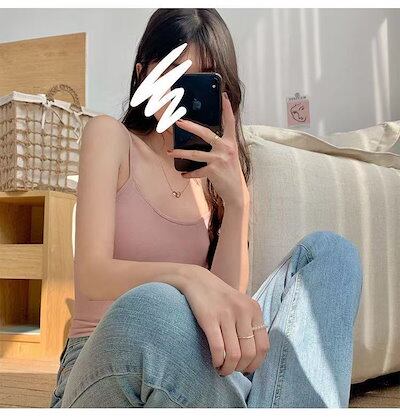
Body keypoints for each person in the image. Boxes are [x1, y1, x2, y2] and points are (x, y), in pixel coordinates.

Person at [49, 8, 363, 408]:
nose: (185, 95)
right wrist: (188, 279)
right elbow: (92, 275)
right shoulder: (111, 138)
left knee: (332, 253)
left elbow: (227, 303)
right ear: (143, 75)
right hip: (106, 361)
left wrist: (238, 202)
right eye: (172, 75)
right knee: (154, 306)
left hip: (203, 366)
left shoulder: (213, 174)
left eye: (202, 80)